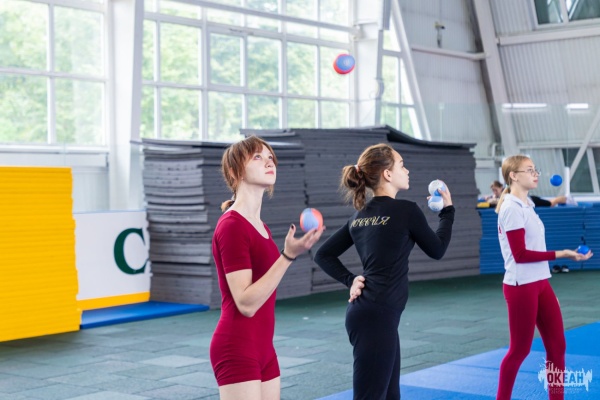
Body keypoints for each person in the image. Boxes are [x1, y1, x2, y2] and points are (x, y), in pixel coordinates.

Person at [313, 143, 455, 400]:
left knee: (389, 395)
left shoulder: (359, 216)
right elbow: (437, 250)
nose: (407, 170)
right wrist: (447, 212)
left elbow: (323, 255)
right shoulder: (407, 211)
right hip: (377, 316)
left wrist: (350, 280)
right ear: (388, 174)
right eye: (402, 165)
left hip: (374, 315)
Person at [210, 135, 324, 400]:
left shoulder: (261, 227)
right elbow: (246, 304)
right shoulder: (232, 226)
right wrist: (288, 255)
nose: (269, 162)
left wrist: (288, 255)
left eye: (270, 157)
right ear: (235, 171)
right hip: (236, 346)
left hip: (264, 348)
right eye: (257, 157)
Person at [494, 155, 592, 400]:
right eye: (529, 170)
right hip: (521, 286)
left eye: (535, 169)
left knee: (557, 346)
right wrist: (563, 254)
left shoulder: (527, 204)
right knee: (519, 350)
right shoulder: (511, 208)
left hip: (540, 282)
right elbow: (520, 255)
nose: (535, 174)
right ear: (513, 176)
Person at [487, 180, 566, 208]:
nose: (494, 192)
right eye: (493, 190)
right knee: (550, 202)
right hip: (529, 200)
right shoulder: (498, 195)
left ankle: (565, 199)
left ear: (501, 187)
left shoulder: (506, 192)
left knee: (551, 203)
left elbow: (498, 201)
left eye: (495, 190)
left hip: (532, 201)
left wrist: (491, 199)